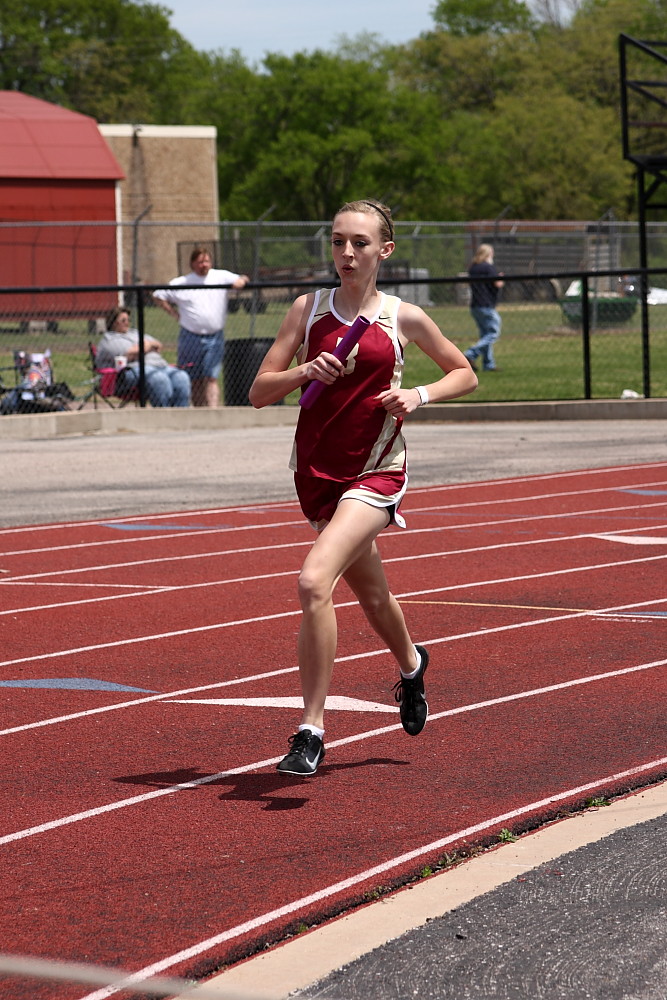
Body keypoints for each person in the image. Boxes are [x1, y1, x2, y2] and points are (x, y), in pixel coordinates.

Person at [249, 199, 478, 776]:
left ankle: (310, 730)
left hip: (377, 469)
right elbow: (258, 391)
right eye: (337, 242)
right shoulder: (307, 310)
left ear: (385, 250)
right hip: (317, 472)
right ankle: (411, 664)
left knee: (312, 580)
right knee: (372, 594)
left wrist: (417, 395)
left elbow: (465, 371)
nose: (346, 254)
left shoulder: (404, 317)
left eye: (359, 243)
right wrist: (306, 370)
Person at [153, 248, 249, 407]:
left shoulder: (220, 276)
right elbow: (158, 295)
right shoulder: (183, 282)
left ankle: (213, 412)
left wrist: (242, 281)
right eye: (200, 262)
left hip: (215, 336)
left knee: (211, 377)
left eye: (206, 261)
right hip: (190, 336)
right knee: (194, 378)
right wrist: (173, 313)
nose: (204, 265)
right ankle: (199, 411)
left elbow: (242, 278)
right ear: (192, 264)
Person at [96, 307, 191, 408]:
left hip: (159, 366)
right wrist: (148, 346)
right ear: (113, 322)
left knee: (181, 377)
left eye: (128, 320)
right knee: (159, 379)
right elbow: (130, 352)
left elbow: (158, 344)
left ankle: (180, 415)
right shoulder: (109, 340)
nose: (127, 323)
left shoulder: (135, 333)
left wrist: (144, 347)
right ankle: (164, 415)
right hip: (130, 372)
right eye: (123, 320)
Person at [464, 243, 504, 373]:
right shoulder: (488, 267)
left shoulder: (473, 268)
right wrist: (502, 278)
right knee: (493, 333)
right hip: (486, 305)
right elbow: (497, 284)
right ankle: (470, 354)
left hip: (475, 306)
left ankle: (488, 364)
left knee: (485, 335)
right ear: (487, 254)